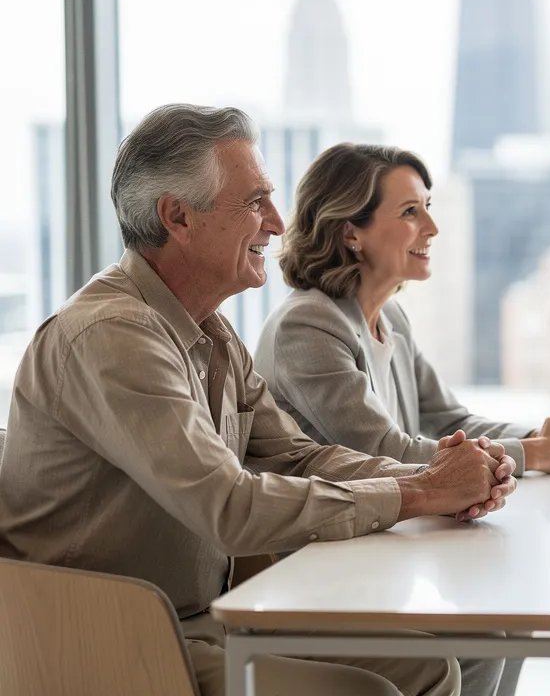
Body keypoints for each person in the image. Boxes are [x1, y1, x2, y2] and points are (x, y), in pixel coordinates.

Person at [0, 104, 516, 696]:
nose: (277, 221)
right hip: (100, 637)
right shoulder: (112, 336)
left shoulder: (210, 332)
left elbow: (298, 456)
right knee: (367, 691)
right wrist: (422, 491)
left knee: (439, 662)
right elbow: (231, 505)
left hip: (207, 616)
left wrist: (439, 476)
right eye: (255, 202)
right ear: (178, 217)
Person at [253, 142, 550, 474]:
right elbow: (387, 452)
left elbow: (450, 421)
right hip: (325, 533)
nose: (432, 229)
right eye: (409, 212)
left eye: (427, 208)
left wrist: (541, 437)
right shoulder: (306, 325)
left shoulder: (390, 317)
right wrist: (538, 454)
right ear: (350, 233)